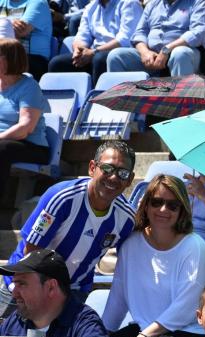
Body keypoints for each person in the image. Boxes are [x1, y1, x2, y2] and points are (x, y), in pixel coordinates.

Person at [1, 141, 136, 317]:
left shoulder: (126, 218)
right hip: (24, 282)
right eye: (107, 169)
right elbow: (31, 250)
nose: (113, 178)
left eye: (122, 173)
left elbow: (128, 263)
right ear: (92, 167)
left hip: (74, 291)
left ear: (130, 180)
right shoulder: (62, 198)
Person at [102, 174, 205, 337]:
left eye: (173, 205)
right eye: (157, 202)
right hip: (145, 330)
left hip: (185, 330)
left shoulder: (195, 246)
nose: (164, 210)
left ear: (182, 210)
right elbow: (118, 299)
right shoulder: (131, 244)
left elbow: (186, 308)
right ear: (146, 205)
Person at [47, 0, 142, 85]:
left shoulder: (129, 3)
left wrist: (94, 52)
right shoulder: (91, 7)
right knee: (57, 63)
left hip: (119, 53)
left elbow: (124, 40)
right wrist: (78, 50)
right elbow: (82, 36)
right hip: (94, 53)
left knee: (99, 59)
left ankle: (99, 101)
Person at [0, 38, 50, 197]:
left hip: (31, 145)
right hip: (5, 141)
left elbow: (25, 128)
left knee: (1, 149)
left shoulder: (29, 87)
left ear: (9, 60)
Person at [106, 0, 205, 76]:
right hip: (152, 55)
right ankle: (121, 102)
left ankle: (181, 103)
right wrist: (144, 52)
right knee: (115, 56)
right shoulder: (152, 4)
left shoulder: (198, 3)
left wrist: (167, 49)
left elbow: (198, 33)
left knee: (180, 54)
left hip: (185, 53)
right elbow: (139, 33)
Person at [0, 0, 52, 79]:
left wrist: (5, 24)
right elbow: (6, 31)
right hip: (6, 55)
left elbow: (20, 31)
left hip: (32, 59)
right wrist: (10, 22)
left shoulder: (38, 3)